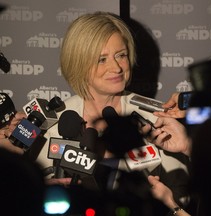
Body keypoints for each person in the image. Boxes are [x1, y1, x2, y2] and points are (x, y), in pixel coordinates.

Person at [35, 11, 190, 207]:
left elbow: (181, 195)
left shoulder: (156, 117)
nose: (116, 67)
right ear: (78, 63)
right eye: (102, 59)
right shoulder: (50, 122)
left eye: (121, 55)